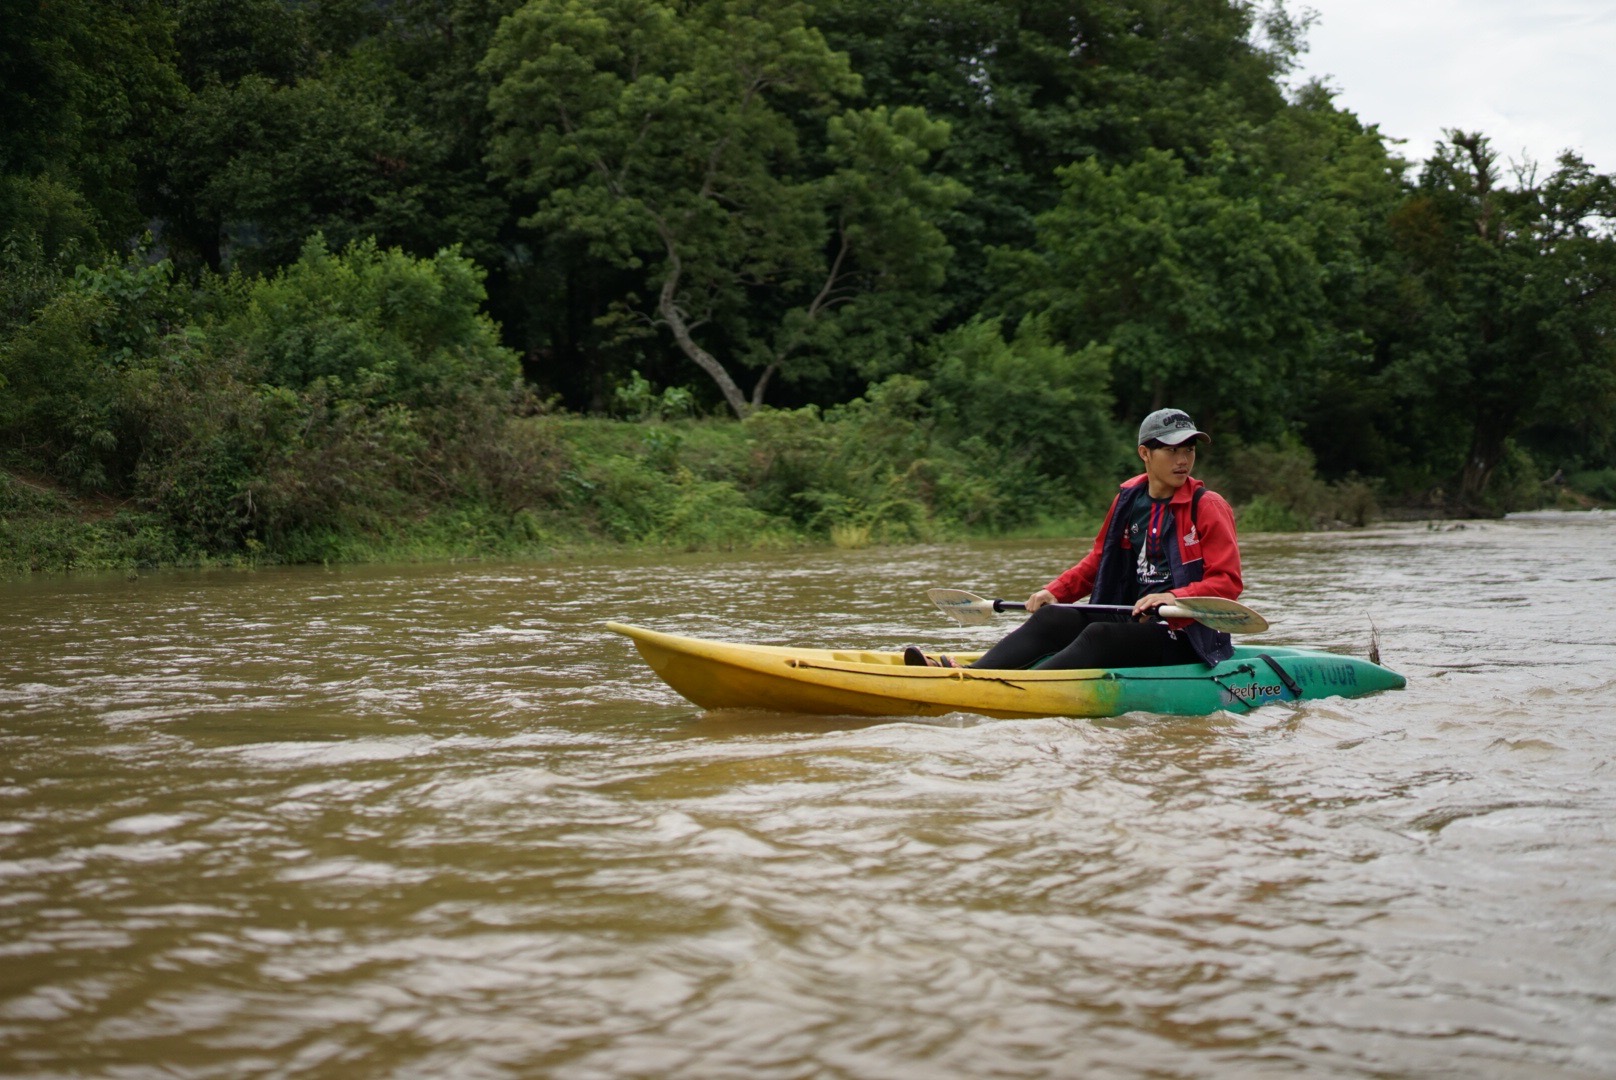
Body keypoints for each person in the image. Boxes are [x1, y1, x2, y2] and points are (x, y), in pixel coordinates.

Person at [904, 408, 1242, 671]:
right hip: (1130, 618)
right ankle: (971, 674)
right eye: (1171, 450)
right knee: (1052, 616)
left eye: (1189, 448)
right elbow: (1099, 562)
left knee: (1099, 635)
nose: (1183, 460)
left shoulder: (1208, 506)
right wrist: (1055, 591)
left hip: (1185, 634)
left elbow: (1226, 583)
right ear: (1145, 453)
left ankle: (1012, 688)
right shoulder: (1128, 500)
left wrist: (1172, 596)